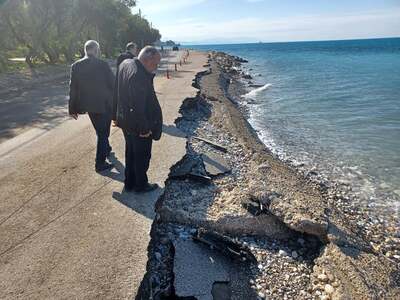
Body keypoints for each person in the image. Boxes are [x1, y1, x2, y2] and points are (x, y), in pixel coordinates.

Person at [113, 46, 163, 193]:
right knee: (142, 155)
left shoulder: (125, 64)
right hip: (137, 124)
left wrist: (114, 115)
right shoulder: (139, 76)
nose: (156, 67)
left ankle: (130, 182)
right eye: (156, 63)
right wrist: (145, 129)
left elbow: (116, 91)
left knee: (131, 153)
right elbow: (137, 106)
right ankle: (141, 185)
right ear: (148, 60)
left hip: (126, 121)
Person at [69, 40, 115, 172]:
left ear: (85, 50)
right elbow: (112, 84)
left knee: (100, 130)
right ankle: (100, 163)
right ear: (96, 50)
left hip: (88, 106)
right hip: (103, 104)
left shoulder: (75, 65)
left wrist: (72, 109)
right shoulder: (102, 64)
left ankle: (106, 149)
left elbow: (73, 88)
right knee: (103, 133)